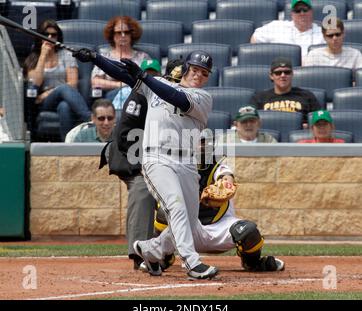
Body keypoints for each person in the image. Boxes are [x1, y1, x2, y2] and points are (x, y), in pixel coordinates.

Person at [73, 47, 218, 279]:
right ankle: (191, 263)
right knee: (175, 205)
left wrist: (144, 77)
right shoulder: (154, 85)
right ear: (185, 68)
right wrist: (95, 58)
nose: (198, 75)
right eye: (195, 69)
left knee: (190, 224)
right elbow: (124, 75)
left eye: (204, 73)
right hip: (157, 158)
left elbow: (176, 98)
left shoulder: (203, 98)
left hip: (186, 163)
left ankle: (150, 250)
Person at [153, 132, 285, 273]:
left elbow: (226, 177)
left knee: (248, 230)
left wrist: (223, 185)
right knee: (164, 211)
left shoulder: (218, 167)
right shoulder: (174, 170)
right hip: (189, 230)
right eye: (198, 142)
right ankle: (162, 258)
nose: (202, 146)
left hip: (220, 228)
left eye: (205, 142)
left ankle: (253, 263)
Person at [98, 59, 182, 270]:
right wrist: (151, 163)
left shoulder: (187, 98)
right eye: (175, 78)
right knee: (143, 188)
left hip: (162, 157)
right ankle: (140, 254)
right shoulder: (142, 93)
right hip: (130, 157)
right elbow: (126, 134)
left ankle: (161, 249)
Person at [23, 19, 91, 141]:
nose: (50, 37)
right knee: (63, 88)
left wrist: (47, 93)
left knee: (64, 106)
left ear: (58, 37)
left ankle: (67, 144)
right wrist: (43, 55)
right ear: (39, 36)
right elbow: (35, 83)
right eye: (46, 34)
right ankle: (90, 119)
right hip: (44, 104)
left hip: (65, 97)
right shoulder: (33, 58)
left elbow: (73, 84)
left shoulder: (66, 54)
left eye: (53, 35)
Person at [91, 16, 151, 102]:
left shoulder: (143, 57)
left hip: (138, 95)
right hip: (112, 96)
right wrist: (120, 85)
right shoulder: (105, 57)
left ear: (132, 34)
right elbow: (96, 82)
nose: (123, 36)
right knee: (126, 92)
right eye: (119, 32)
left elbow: (152, 79)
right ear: (112, 35)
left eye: (126, 32)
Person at [249, 57, 321, 127]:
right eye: (278, 73)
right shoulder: (259, 98)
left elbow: (320, 121)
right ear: (271, 76)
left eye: (287, 72)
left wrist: (307, 126)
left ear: (292, 74)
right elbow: (249, 122)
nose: (283, 75)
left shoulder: (307, 96)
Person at [250, 0, 325, 60]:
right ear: (292, 14)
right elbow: (255, 39)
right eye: (297, 10)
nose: (302, 13)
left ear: (311, 12)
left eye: (305, 10)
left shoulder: (323, 33)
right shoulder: (277, 26)